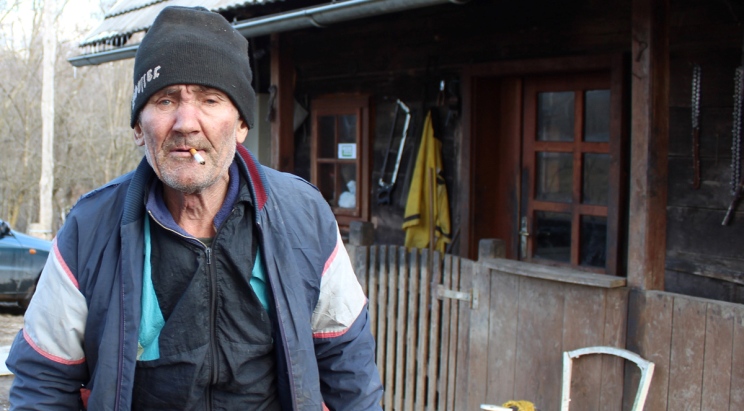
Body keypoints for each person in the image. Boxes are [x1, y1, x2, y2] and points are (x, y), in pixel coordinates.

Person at [6, 6, 383, 410]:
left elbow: (348, 365)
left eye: (210, 99)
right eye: (166, 100)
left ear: (241, 124)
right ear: (138, 128)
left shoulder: (303, 216)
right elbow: (43, 381)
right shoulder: (90, 229)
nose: (186, 123)